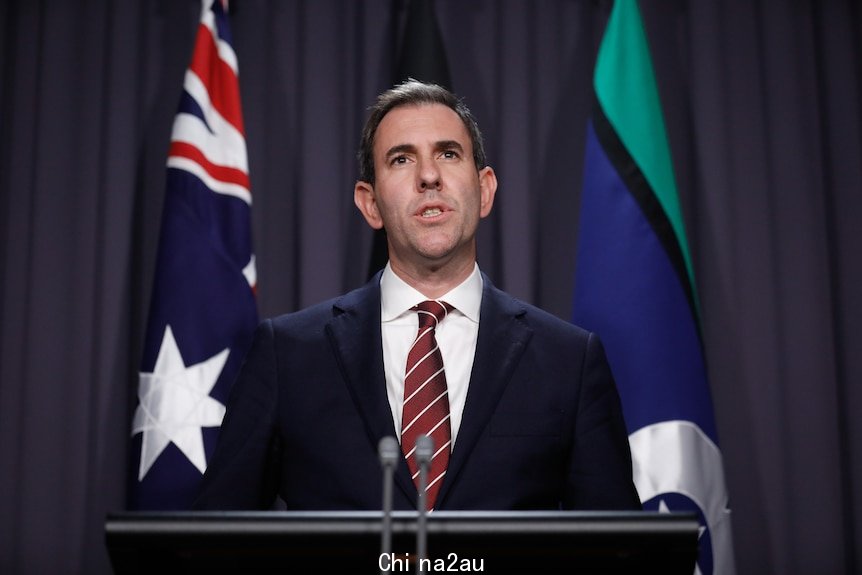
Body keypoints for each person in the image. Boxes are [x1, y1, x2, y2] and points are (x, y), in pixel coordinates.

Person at [193, 79, 641, 512]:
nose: (429, 176)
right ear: (370, 204)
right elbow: (214, 540)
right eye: (402, 160)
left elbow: (620, 550)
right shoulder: (287, 355)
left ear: (484, 190)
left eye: (448, 153)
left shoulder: (568, 361)